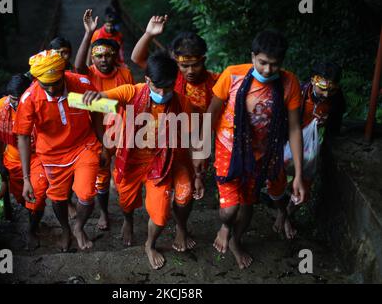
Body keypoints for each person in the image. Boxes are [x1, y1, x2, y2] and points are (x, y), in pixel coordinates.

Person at [82, 52, 205, 269]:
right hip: (129, 161)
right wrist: (94, 98)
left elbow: (194, 137)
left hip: (161, 163)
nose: (164, 93)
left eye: (169, 88)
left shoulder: (182, 103)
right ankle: (128, 221)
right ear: (147, 80)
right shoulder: (132, 92)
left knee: (160, 216)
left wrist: (197, 173)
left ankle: (150, 244)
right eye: (158, 87)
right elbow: (103, 99)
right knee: (126, 202)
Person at [207, 30, 306, 269]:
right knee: (229, 209)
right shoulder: (232, 76)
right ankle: (226, 226)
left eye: (274, 65)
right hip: (227, 149)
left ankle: (236, 241)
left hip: (262, 154)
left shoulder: (289, 82)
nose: (267, 70)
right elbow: (212, 112)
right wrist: (200, 150)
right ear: (253, 57)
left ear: (281, 63)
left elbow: (293, 129)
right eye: (262, 63)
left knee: (248, 203)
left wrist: (299, 175)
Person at [131, 15, 218, 252]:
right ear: (175, 62)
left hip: (193, 143)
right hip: (159, 141)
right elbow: (137, 59)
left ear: (204, 60)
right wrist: (149, 34)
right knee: (160, 191)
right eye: (184, 65)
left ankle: (181, 227)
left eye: (195, 64)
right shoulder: (169, 77)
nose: (190, 71)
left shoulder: (215, 83)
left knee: (187, 192)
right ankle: (155, 229)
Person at [14, 50, 108, 252]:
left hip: (84, 145)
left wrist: (105, 146)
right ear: (36, 79)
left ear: (64, 73)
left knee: (86, 193)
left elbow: (99, 112)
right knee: (57, 197)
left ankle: (78, 227)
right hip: (52, 154)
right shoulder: (29, 99)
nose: (51, 88)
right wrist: (27, 178)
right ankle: (66, 229)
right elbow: (22, 136)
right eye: (44, 84)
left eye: (56, 82)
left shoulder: (80, 85)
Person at [74, 9, 135, 230]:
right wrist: (88, 33)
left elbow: (131, 100)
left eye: (108, 55)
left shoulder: (125, 73)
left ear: (115, 56)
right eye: (98, 55)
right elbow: (77, 67)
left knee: (123, 177)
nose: (103, 59)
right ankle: (104, 214)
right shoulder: (88, 72)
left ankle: (128, 217)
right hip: (95, 134)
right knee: (101, 176)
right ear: (93, 57)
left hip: (120, 131)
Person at [277, 61, 345, 239]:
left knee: (304, 186)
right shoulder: (298, 92)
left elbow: (336, 127)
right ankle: (281, 213)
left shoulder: (336, 100)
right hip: (289, 140)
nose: (326, 93)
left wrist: (327, 123)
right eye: (323, 87)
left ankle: (288, 215)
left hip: (312, 148)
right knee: (278, 178)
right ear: (313, 81)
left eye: (332, 89)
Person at [0, 74, 48, 250]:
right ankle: (33, 215)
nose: (16, 103)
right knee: (22, 198)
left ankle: (32, 229)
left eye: (20, 99)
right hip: (13, 159)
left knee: (37, 196)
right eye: (13, 99)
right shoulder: (0, 107)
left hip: (38, 156)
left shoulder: (39, 104)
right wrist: (0, 163)